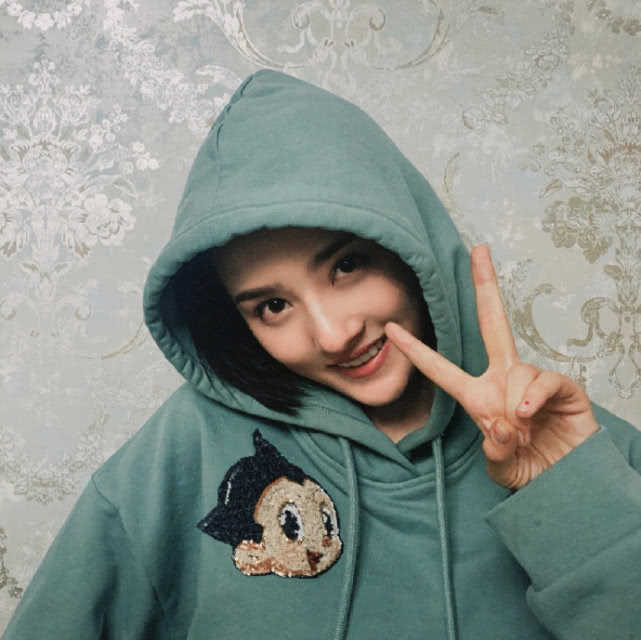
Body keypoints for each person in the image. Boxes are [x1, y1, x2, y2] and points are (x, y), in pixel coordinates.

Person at [3, 69, 641, 640]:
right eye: (272, 306)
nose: (334, 335)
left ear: (409, 245)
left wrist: (576, 496)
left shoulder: (577, 446)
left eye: (347, 265)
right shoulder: (183, 452)